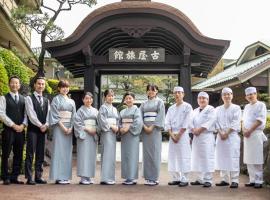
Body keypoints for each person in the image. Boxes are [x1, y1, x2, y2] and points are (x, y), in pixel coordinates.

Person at [0, 76, 27, 185]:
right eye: (12, 83)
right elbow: (1, 114)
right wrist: (13, 125)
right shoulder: (3, 98)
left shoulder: (23, 99)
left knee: (18, 153)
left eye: (16, 83)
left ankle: (14, 176)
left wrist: (23, 125)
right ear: (9, 84)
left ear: (19, 85)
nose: (14, 85)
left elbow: (26, 114)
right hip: (8, 130)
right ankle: (5, 176)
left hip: (21, 130)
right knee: (6, 153)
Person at [49, 80, 76, 185]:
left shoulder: (72, 101)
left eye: (67, 87)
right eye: (63, 87)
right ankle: (58, 176)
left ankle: (65, 176)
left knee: (67, 152)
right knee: (58, 151)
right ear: (59, 88)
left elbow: (74, 115)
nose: (65, 89)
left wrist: (71, 127)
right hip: (59, 127)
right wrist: (63, 127)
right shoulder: (55, 99)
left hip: (69, 128)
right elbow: (54, 115)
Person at [165, 86, 193, 187]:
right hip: (172, 135)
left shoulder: (188, 106)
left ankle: (184, 178)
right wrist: (172, 134)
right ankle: (175, 178)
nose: (177, 94)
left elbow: (187, 121)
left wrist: (179, 135)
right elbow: (167, 122)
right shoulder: (171, 108)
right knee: (173, 156)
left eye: (179, 92)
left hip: (183, 135)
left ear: (183, 94)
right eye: (175, 92)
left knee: (184, 156)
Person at [215, 87, 241, 189]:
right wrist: (221, 132)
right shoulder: (217, 109)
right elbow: (215, 122)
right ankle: (224, 179)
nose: (227, 96)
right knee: (222, 157)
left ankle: (234, 180)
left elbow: (236, 121)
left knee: (233, 157)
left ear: (232, 95)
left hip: (232, 136)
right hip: (220, 136)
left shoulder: (236, 108)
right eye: (224, 94)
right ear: (222, 97)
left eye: (229, 94)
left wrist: (227, 133)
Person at [25, 77, 50, 185]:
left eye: (42, 84)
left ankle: (38, 176)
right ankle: (29, 177)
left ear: (44, 86)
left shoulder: (46, 100)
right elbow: (31, 115)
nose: (40, 86)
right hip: (33, 130)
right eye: (39, 84)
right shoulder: (29, 98)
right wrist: (41, 125)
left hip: (43, 130)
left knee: (40, 154)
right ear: (34, 85)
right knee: (30, 153)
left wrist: (47, 124)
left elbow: (49, 114)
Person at [140, 84, 165, 186]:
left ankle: (154, 177)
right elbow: (139, 116)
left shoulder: (160, 102)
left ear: (156, 91)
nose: (150, 92)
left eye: (153, 90)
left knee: (155, 152)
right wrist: (144, 126)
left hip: (155, 130)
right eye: (149, 90)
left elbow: (160, 115)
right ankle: (147, 177)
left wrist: (153, 126)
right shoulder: (143, 104)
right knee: (146, 153)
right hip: (145, 129)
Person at [243, 87, 267, 189]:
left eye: (253, 94)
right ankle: (252, 179)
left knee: (257, 158)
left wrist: (249, 130)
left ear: (256, 94)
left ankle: (258, 180)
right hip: (247, 135)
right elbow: (243, 121)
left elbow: (259, 120)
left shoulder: (261, 105)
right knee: (249, 158)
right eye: (249, 94)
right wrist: (244, 130)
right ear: (246, 97)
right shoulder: (247, 107)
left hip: (256, 134)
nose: (251, 96)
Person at [190, 91, 216, 188]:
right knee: (197, 157)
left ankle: (208, 179)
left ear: (207, 100)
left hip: (206, 136)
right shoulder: (195, 110)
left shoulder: (211, 109)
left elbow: (210, 121)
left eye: (204, 98)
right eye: (200, 98)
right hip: (196, 137)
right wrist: (193, 129)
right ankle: (199, 178)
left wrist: (199, 130)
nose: (202, 100)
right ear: (197, 100)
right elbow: (190, 121)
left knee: (207, 157)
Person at [74, 92, 98, 185]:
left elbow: (99, 122)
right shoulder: (80, 111)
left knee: (91, 155)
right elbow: (77, 123)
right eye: (86, 98)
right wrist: (87, 129)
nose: (89, 100)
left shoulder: (96, 111)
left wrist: (95, 130)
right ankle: (83, 177)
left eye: (90, 98)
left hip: (93, 134)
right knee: (84, 155)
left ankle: (89, 176)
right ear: (83, 100)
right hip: (84, 134)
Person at [119, 92, 143, 185]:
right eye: (126, 98)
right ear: (124, 100)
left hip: (132, 135)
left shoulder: (137, 110)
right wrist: (121, 128)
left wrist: (128, 127)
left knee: (132, 155)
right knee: (125, 155)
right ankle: (127, 176)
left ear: (134, 99)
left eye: (130, 98)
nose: (128, 100)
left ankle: (132, 177)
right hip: (124, 135)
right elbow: (119, 122)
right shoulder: (122, 111)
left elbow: (138, 122)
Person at [97, 89, 119, 185]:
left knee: (111, 154)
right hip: (107, 132)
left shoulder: (114, 109)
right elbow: (102, 120)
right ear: (105, 97)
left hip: (113, 132)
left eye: (112, 96)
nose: (111, 97)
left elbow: (117, 120)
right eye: (109, 96)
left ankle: (110, 177)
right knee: (106, 153)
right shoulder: (103, 107)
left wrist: (117, 127)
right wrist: (111, 126)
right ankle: (105, 178)